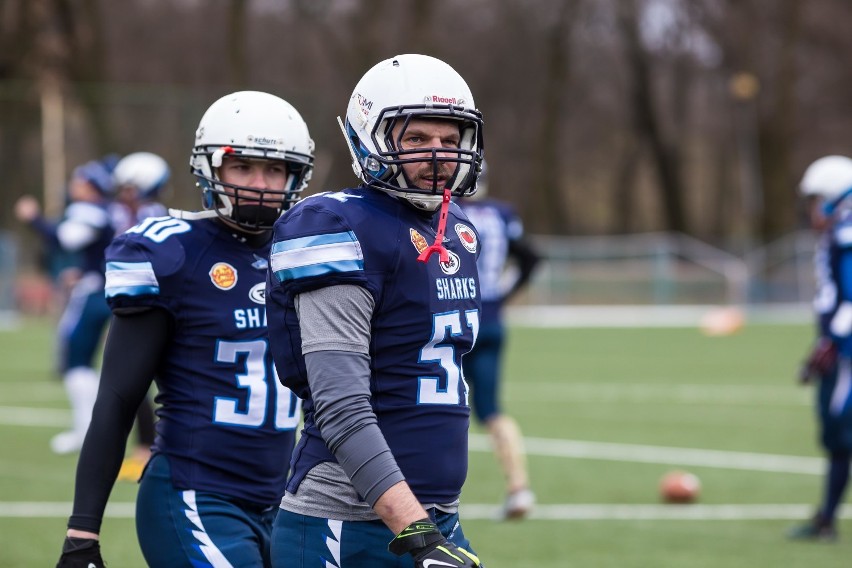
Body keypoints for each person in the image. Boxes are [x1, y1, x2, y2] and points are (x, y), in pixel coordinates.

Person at [55, 90, 313, 568]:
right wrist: (81, 532)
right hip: (197, 495)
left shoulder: (306, 254)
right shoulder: (171, 255)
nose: (261, 183)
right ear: (211, 169)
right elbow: (117, 397)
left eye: (275, 169)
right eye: (243, 167)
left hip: (287, 502)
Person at [267, 53, 485, 568]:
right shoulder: (337, 227)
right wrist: (417, 532)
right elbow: (340, 406)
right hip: (346, 527)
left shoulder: (457, 232)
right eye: (416, 139)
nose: (438, 156)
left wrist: (431, 526)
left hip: (434, 518)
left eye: (450, 141)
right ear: (372, 139)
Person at [15, 158, 117, 455]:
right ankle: (88, 428)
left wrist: (33, 218)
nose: (73, 188)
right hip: (103, 287)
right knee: (83, 361)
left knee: (75, 359)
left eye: (79, 182)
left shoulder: (91, 211)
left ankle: (86, 430)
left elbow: (65, 239)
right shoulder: (106, 212)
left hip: (95, 294)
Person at [457, 161, 540, 520]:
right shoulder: (502, 213)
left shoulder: (448, 212)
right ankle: (519, 489)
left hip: (454, 319)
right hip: (491, 319)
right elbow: (532, 257)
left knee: (429, 404)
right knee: (492, 410)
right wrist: (505, 296)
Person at [788, 154, 852, 542]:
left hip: (849, 352)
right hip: (841, 348)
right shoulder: (837, 233)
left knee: (842, 433)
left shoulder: (846, 234)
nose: (813, 210)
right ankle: (826, 518)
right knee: (838, 435)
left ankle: (826, 518)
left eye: (817, 200)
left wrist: (831, 343)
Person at [108, 151, 172, 482]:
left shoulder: (154, 217)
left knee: (145, 378)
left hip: (156, 308)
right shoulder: (125, 211)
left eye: (131, 186)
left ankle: (147, 446)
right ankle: (145, 445)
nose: (124, 192)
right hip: (137, 303)